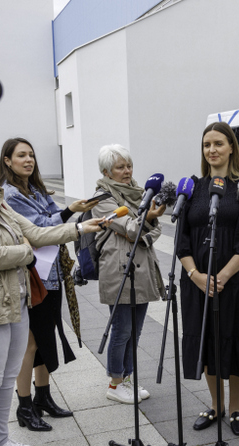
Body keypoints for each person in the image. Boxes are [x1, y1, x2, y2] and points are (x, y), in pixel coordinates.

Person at [0, 143, 106, 446]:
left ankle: (0, 441)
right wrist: (28, 251)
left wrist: (79, 228)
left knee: (6, 381)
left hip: (12, 303)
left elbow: (34, 232)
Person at [0, 137, 94, 431]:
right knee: (29, 342)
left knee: (45, 337)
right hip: (32, 276)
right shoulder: (10, 194)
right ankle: (24, 406)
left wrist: (70, 209)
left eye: (31, 155)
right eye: (21, 155)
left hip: (51, 271)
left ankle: (43, 397)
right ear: (7, 161)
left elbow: (53, 218)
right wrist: (70, 215)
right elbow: (39, 229)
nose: (29, 160)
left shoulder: (36, 188)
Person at [178, 121, 239, 436]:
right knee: (208, 343)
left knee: (238, 339)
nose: (212, 150)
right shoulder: (193, 187)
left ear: (231, 148)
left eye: (218, 143)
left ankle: (236, 407)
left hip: (236, 281)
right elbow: (181, 240)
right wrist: (196, 275)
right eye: (207, 145)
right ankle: (216, 405)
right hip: (198, 283)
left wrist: (222, 277)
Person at [91, 144, 166, 404]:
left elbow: (154, 229)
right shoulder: (101, 199)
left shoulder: (140, 192)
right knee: (122, 329)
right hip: (119, 270)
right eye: (120, 167)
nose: (127, 171)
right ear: (106, 172)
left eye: (129, 165)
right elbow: (131, 229)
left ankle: (128, 378)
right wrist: (144, 224)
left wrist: (144, 227)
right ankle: (115, 383)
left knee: (136, 330)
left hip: (141, 268)